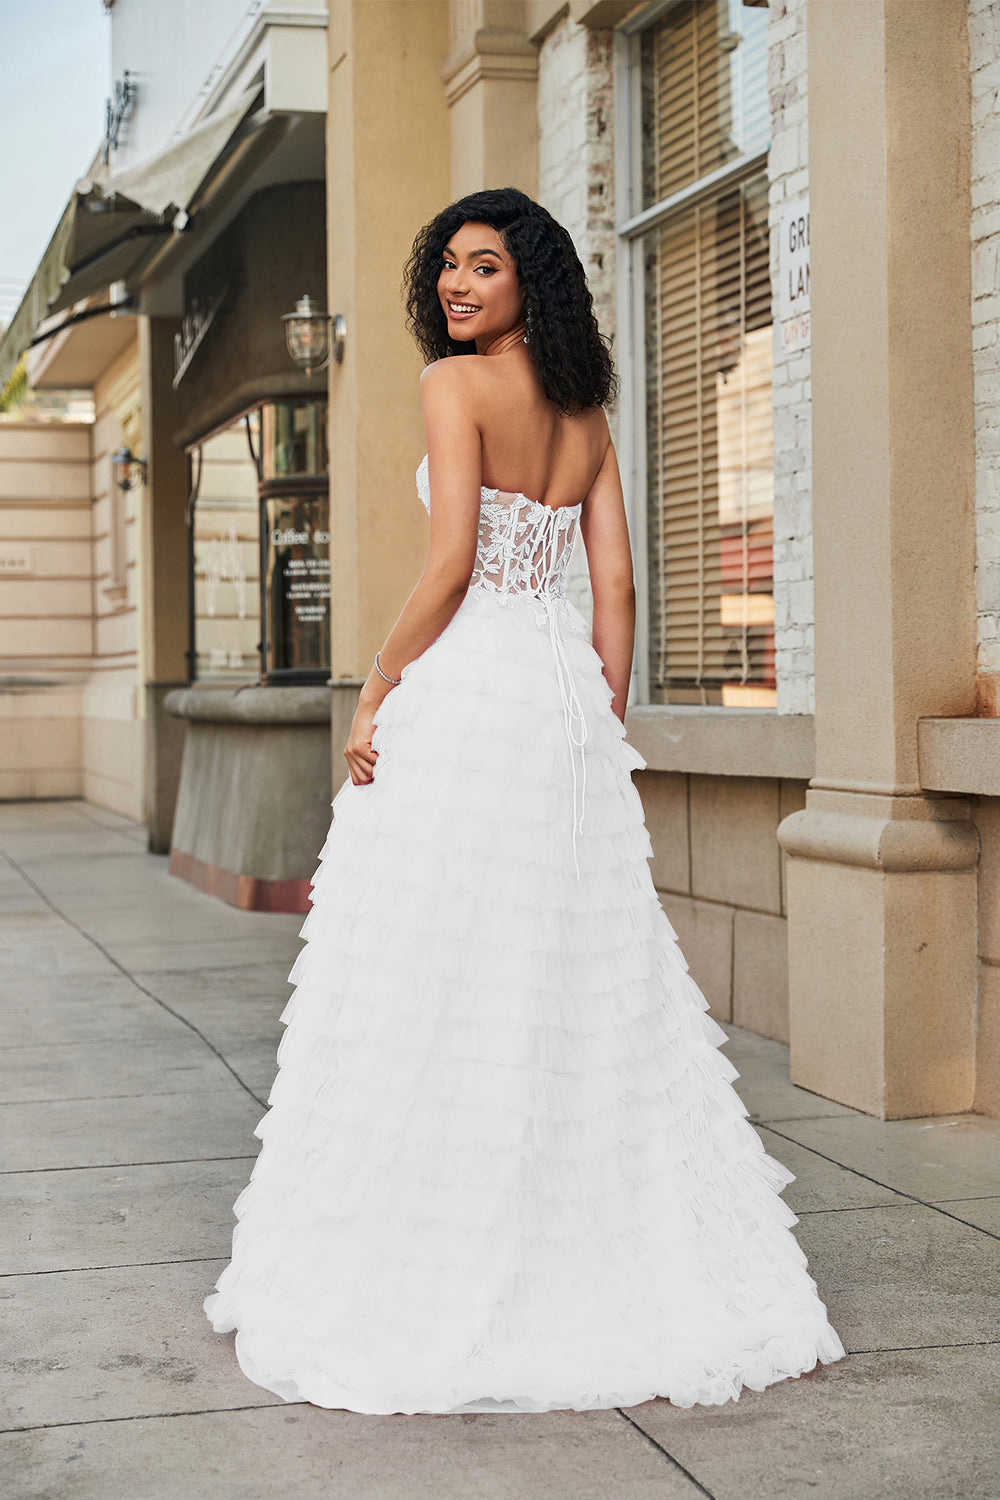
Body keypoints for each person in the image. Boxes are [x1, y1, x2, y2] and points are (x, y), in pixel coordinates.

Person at [204, 187, 845, 1414]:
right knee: (564, 969)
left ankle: (438, 1243)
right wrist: (594, 727)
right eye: (446, 264)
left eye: (483, 267)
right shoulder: (588, 414)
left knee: (441, 963)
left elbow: (450, 567)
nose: (455, 286)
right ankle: (605, 1246)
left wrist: (378, 685)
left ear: (528, 283)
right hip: (556, 702)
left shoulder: (454, 389)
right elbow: (617, 594)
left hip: (469, 692)